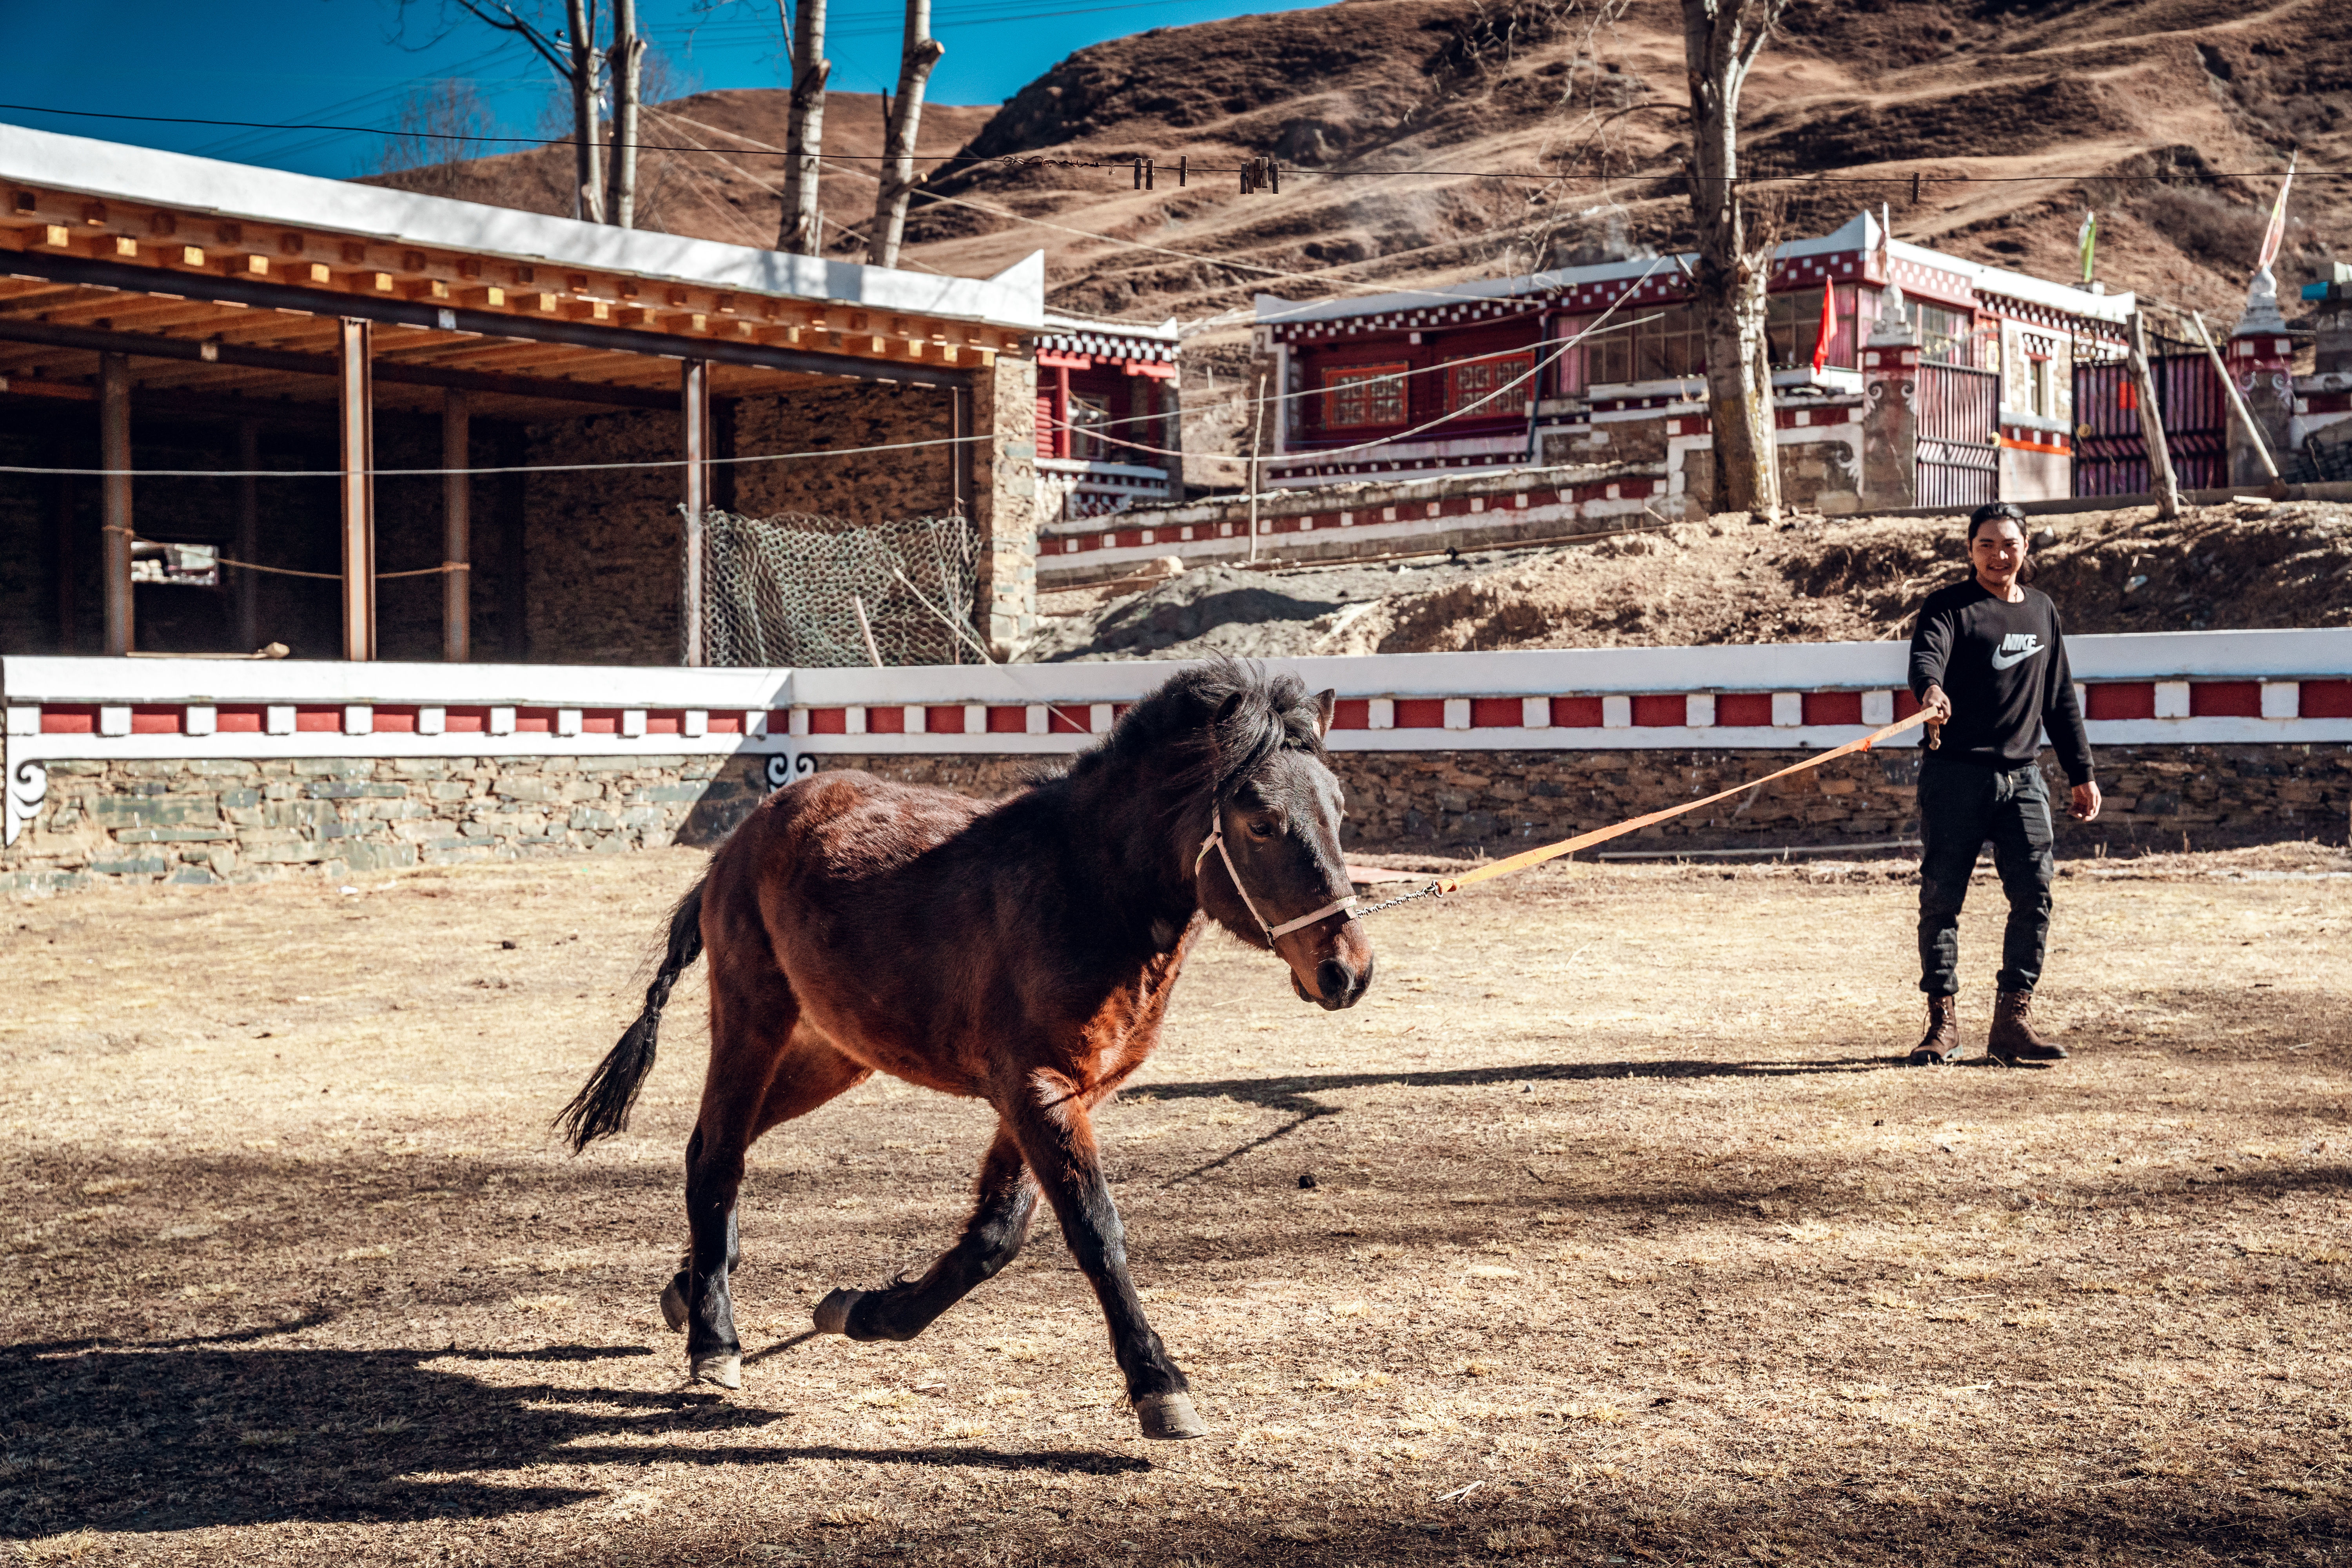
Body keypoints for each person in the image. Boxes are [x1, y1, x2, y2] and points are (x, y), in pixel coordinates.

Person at [1906, 501, 2101, 1066]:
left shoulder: (2042, 610)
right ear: (1970, 551)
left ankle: (2013, 1022)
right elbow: (1927, 657)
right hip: (1955, 776)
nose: (1998, 555)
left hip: (2023, 780)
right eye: (1986, 545)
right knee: (1942, 899)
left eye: (2009, 544)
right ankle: (1942, 1024)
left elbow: (2060, 698)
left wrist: (2082, 774)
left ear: (2026, 548)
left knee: (2035, 895)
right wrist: (1932, 691)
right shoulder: (1949, 607)